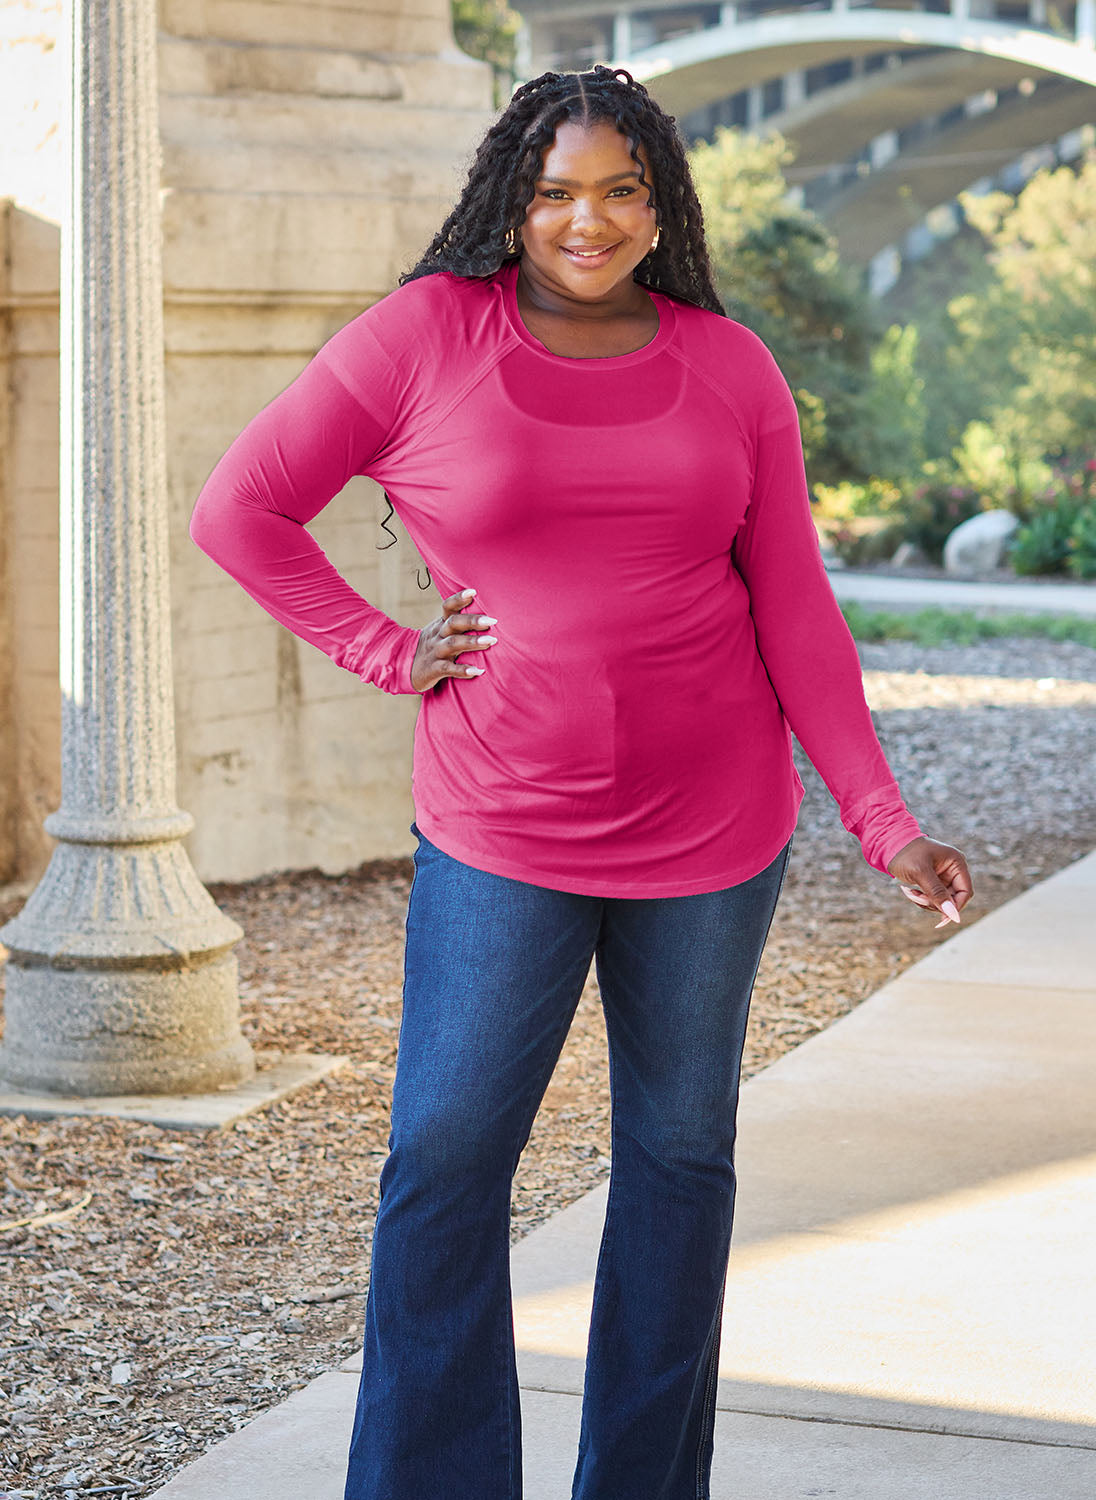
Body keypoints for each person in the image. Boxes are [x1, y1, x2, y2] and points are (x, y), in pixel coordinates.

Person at [188, 64, 973, 1500]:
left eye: (619, 189)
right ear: (508, 201)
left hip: (717, 828)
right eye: (553, 191)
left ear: (660, 200)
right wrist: (384, 648)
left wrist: (882, 818)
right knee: (440, 1161)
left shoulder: (727, 364)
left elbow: (792, 605)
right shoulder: (425, 336)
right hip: (501, 825)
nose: (586, 220)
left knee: (678, 1167)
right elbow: (240, 509)